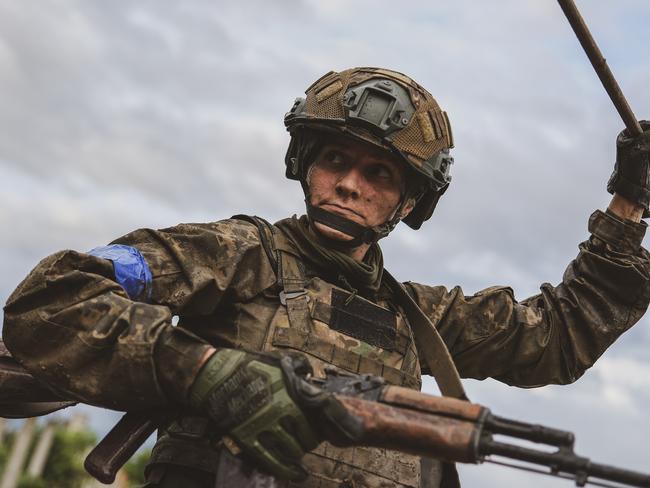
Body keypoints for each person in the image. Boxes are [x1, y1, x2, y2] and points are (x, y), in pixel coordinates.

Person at [3, 67, 650, 488]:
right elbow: (56, 296)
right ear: (305, 164)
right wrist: (200, 370)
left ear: (409, 202)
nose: (349, 183)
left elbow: (560, 336)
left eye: (380, 174)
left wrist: (627, 207)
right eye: (336, 159)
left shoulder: (421, 318)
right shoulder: (237, 252)